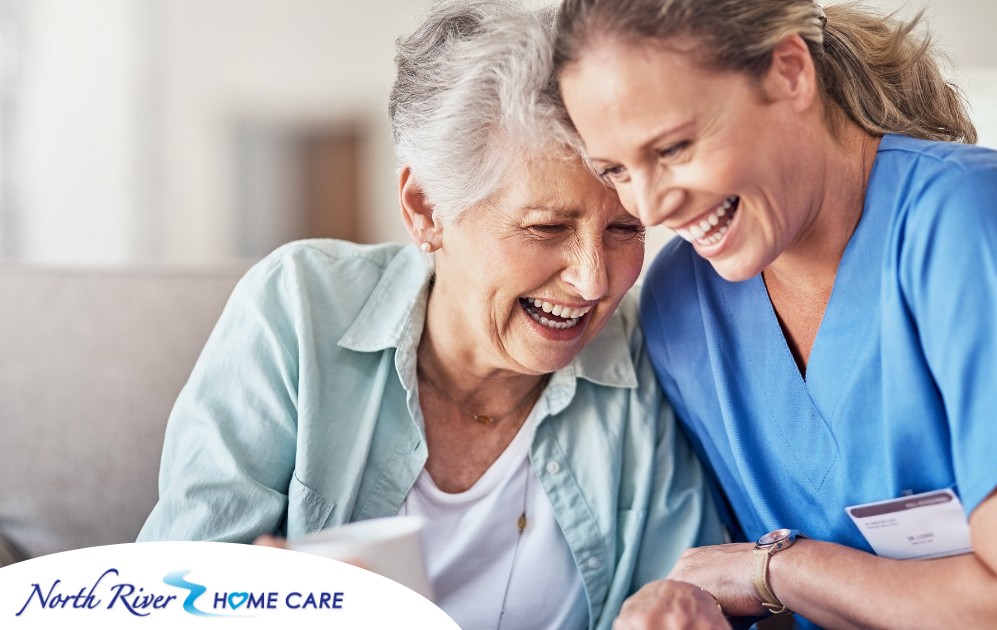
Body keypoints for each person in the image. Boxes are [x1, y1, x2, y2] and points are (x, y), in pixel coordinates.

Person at [552, 1, 997, 628]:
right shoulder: (684, 304)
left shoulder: (976, 223)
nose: (651, 208)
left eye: (673, 148)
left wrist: (776, 570)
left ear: (789, 72)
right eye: (616, 170)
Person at [139, 2, 721, 628]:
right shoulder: (299, 309)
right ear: (425, 209)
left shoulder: (645, 350)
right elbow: (169, 601)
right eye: (546, 228)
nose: (593, 280)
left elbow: (685, 593)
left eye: (625, 229)